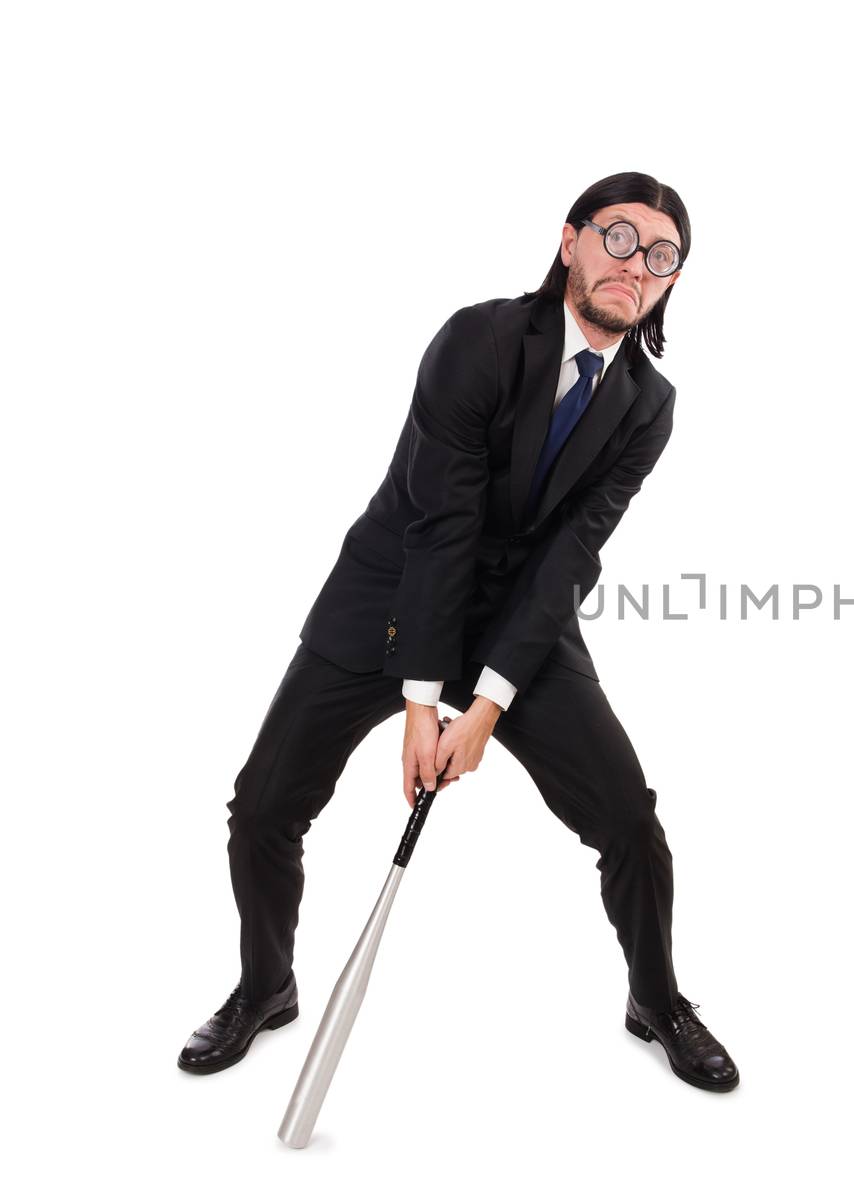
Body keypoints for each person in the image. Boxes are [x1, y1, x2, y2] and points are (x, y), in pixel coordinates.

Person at [178, 171, 738, 1093]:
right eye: (621, 238)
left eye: (664, 256)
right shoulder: (477, 340)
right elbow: (443, 527)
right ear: (571, 242)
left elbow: (570, 556)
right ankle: (264, 984)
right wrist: (425, 701)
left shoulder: (649, 402)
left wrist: (490, 702)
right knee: (264, 806)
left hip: (521, 620)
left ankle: (657, 999)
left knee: (631, 822)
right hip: (391, 590)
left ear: (674, 283)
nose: (638, 266)